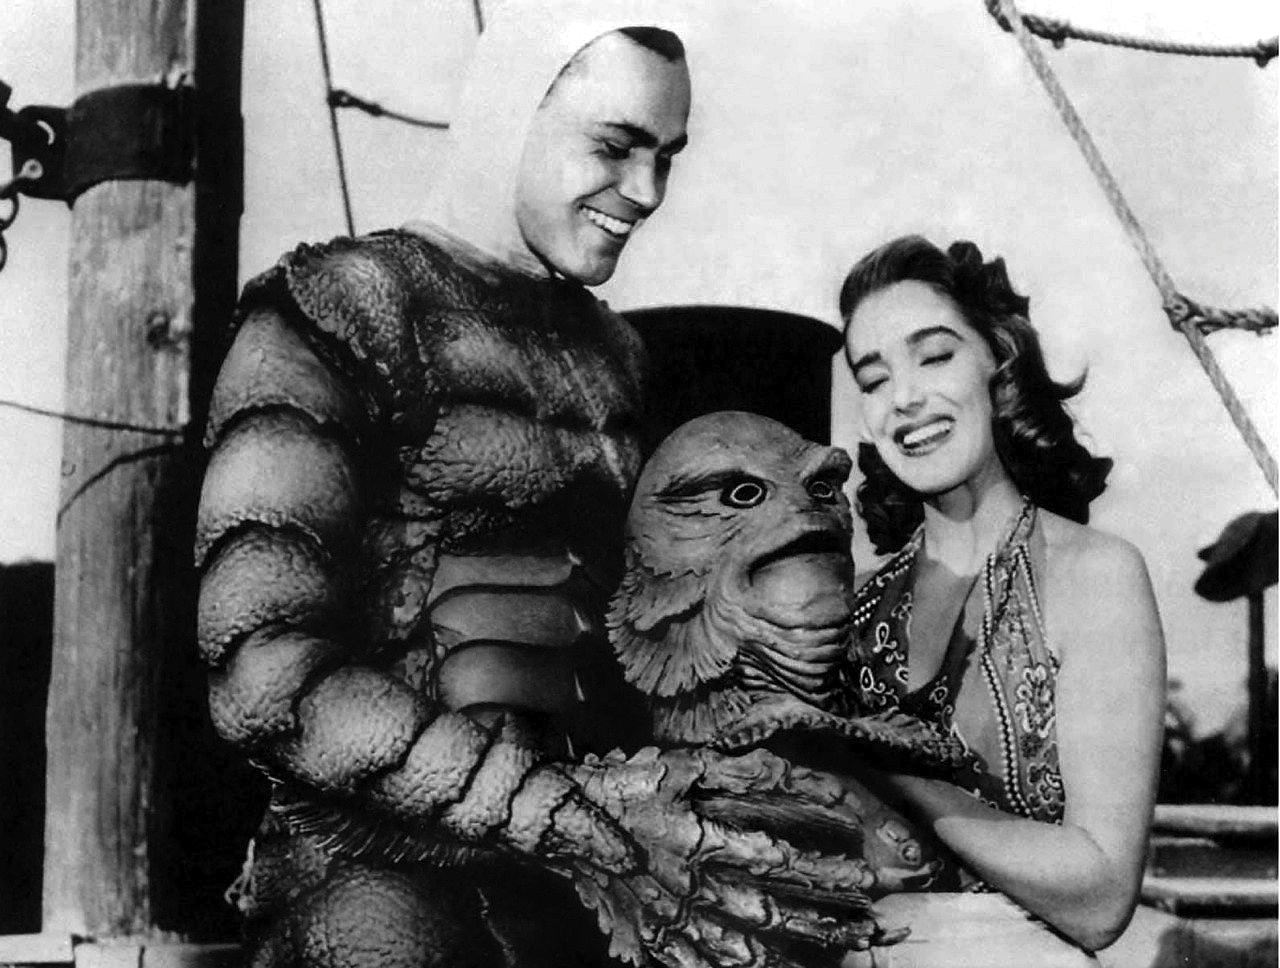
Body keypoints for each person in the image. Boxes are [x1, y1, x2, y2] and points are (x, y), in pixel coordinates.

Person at [196, 5, 883, 966]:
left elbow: (631, 641)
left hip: (581, 894)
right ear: (507, 111)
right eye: (614, 145)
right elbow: (261, 668)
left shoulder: (612, 355)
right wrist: (546, 810)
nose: (646, 191)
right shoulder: (336, 309)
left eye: (667, 157)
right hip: (370, 894)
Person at [837, 235, 1166, 953]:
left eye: (934, 356)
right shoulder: (849, 610)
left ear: (1000, 362)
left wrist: (890, 765)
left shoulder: (1095, 576)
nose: (905, 398)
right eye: (874, 378)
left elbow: (1102, 895)